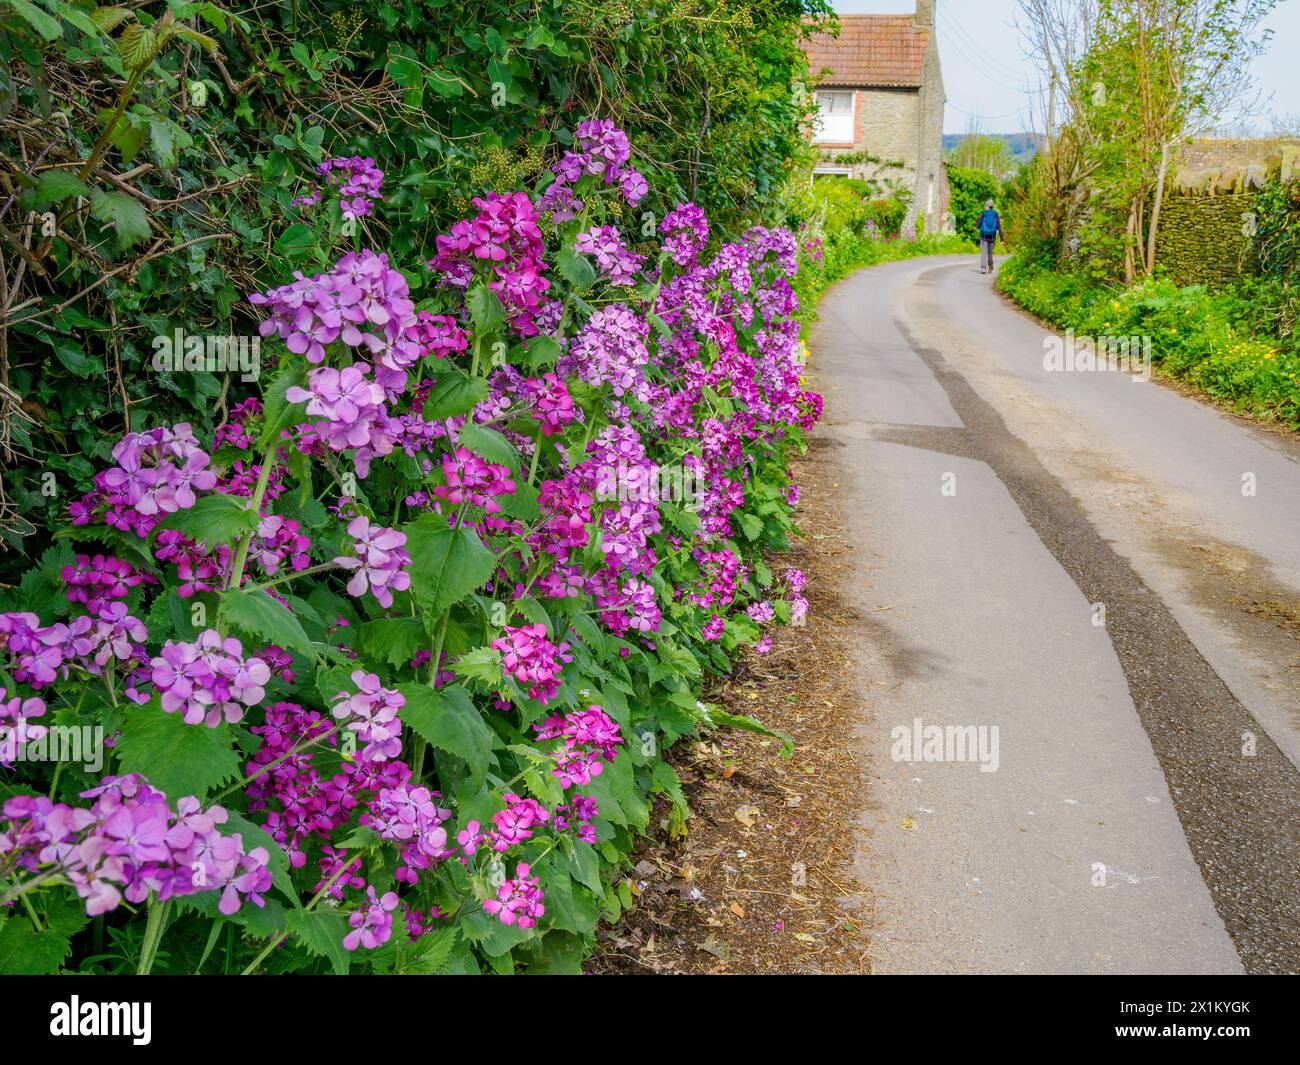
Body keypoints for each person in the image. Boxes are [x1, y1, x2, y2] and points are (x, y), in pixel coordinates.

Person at [978, 199, 1005, 275]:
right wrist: (1002, 239)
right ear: (992, 206)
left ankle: (983, 268)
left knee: (984, 252)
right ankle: (990, 267)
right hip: (992, 237)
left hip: (984, 237)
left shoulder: (983, 214)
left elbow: (978, 225)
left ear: (987, 206)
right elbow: (999, 227)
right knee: (990, 253)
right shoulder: (995, 214)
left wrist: (980, 219)